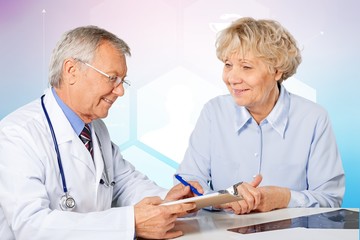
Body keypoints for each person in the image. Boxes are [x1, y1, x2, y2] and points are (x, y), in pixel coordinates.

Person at [0, 26, 203, 240]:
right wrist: (129, 223)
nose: (120, 91)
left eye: (122, 81)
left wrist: (169, 201)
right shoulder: (17, 135)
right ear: (71, 71)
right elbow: (31, 226)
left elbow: (124, 183)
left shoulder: (94, 128)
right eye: (112, 78)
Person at [175, 17, 345, 215]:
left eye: (246, 67)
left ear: (276, 71)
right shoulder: (214, 112)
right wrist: (222, 199)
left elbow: (331, 199)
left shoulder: (313, 118)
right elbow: (188, 183)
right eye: (228, 64)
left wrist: (284, 198)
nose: (232, 78)